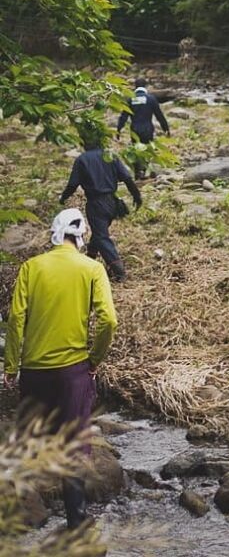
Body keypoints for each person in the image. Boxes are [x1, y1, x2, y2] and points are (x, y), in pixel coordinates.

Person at [4, 208, 118, 530]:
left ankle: (20, 515)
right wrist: (94, 359)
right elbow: (109, 320)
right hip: (72, 373)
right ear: (80, 237)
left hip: (33, 371)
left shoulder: (31, 267)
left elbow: (15, 320)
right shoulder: (93, 268)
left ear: (54, 233)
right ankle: (77, 522)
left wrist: (11, 365)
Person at [60, 133, 142, 282]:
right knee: (99, 232)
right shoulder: (110, 156)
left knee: (101, 235)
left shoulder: (82, 160)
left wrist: (63, 198)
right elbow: (127, 178)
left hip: (96, 203)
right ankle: (90, 257)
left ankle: (118, 270)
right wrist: (137, 196)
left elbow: (73, 184)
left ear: (84, 143)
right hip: (112, 202)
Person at [116, 79, 169, 179]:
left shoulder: (130, 99)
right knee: (147, 149)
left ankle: (137, 172)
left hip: (135, 129)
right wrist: (166, 128)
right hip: (148, 128)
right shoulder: (151, 99)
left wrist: (118, 130)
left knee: (136, 149)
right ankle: (144, 171)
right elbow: (159, 116)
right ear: (145, 86)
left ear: (135, 87)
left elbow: (123, 116)